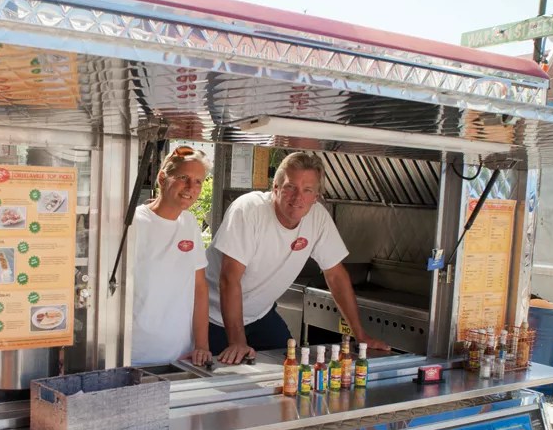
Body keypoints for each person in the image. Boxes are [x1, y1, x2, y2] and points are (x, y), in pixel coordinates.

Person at [207, 150, 390, 364]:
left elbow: (336, 275)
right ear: (275, 188)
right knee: (215, 376)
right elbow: (229, 279)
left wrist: (361, 336)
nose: (297, 197)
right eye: (290, 187)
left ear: (316, 197)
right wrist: (237, 342)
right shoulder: (249, 210)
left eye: (307, 190)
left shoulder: (318, 217)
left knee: (289, 368)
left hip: (260, 314)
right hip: (211, 314)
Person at [131, 145, 212, 367]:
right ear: (162, 178)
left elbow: (199, 288)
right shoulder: (134, 223)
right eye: (183, 178)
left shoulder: (190, 223)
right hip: (136, 356)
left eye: (198, 181)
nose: (191, 187)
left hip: (180, 356)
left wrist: (202, 345)